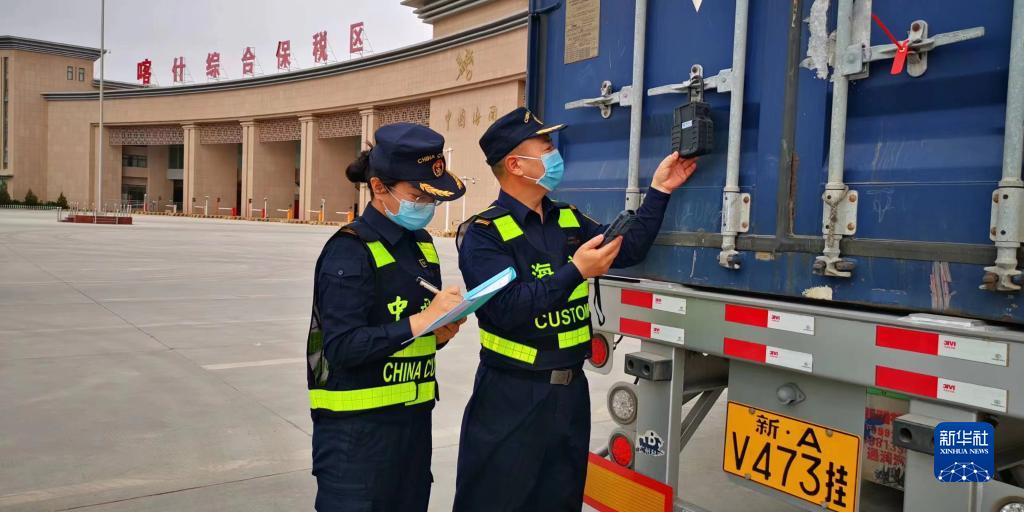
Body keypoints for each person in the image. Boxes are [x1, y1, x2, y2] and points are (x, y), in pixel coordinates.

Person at [453, 107, 698, 511]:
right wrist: (575, 271)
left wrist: (659, 190)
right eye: (545, 146)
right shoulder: (483, 234)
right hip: (511, 397)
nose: (555, 153)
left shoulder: (567, 218)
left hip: (569, 396)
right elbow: (506, 309)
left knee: (561, 500)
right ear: (515, 165)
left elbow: (629, 249)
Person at [306, 122, 468, 511]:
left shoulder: (421, 245)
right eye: (418, 196)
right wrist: (421, 321)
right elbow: (342, 348)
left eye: (433, 199)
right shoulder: (350, 251)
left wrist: (438, 334)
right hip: (356, 442)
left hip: (412, 433)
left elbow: (408, 335)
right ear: (379, 187)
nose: (427, 206)